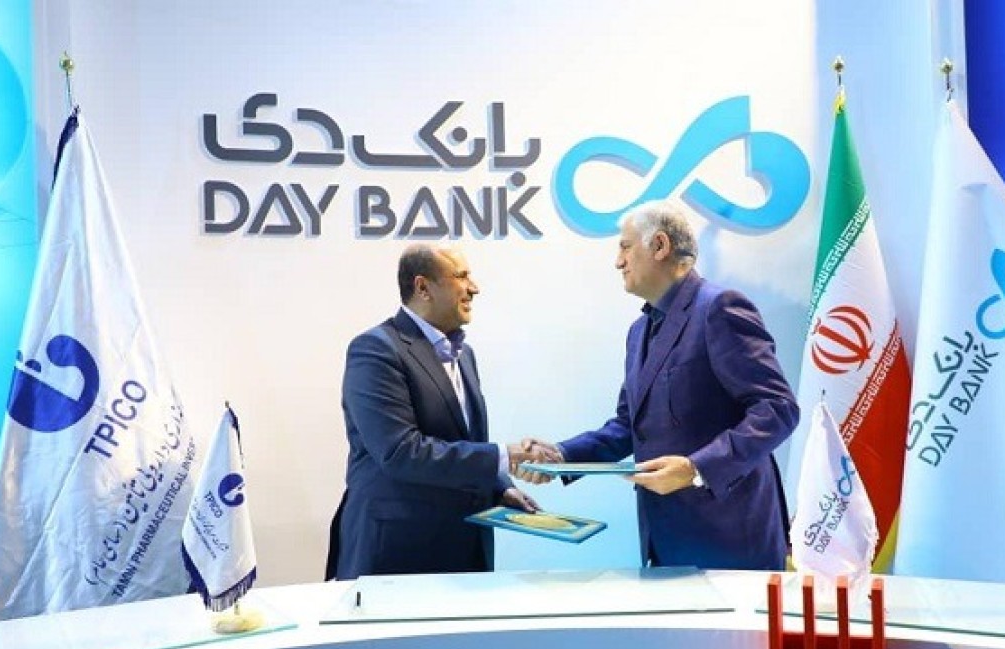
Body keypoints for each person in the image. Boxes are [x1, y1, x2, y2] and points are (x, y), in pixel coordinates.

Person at [520, 200, 799, 570]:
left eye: (625, 247)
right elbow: (628, 427)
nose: (618, 262)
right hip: (667, 540)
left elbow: (778, 409)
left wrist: (697, 468)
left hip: (732, 538)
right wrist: (560, 456)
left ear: (660, 245)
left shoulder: (719, 308)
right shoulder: (638, 332)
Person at [332, 243, 539, 580]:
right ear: (423, 287)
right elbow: (401, 452)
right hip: (398, 553)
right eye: (462, 276)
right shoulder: (375, 350)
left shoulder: (464, 354)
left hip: (464, 550)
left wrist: (500, 487)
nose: (474, 287)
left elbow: (465, 439)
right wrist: (505, 456)